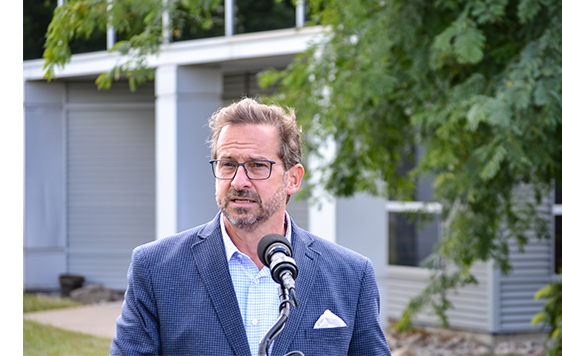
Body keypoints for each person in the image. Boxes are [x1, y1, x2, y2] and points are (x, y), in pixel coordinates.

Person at [110, 98, 391, 356]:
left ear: (293, 178)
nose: (238, 181)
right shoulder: (156, 268)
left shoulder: (351, 275)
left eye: (257, 165)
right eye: (228, 164)